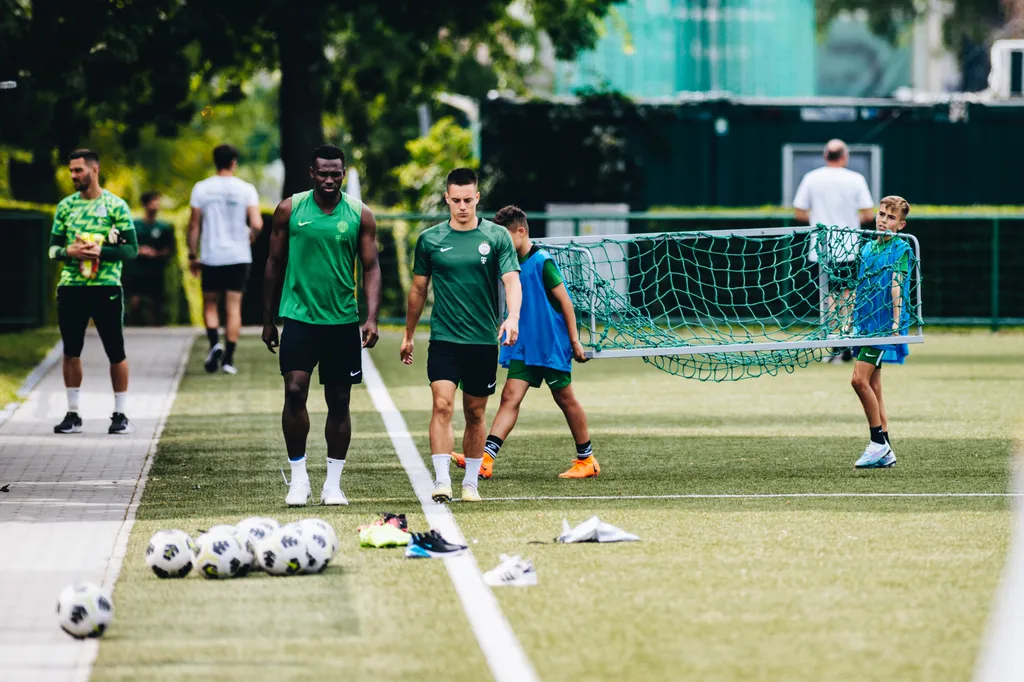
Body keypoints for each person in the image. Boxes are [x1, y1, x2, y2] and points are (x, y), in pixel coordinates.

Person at [262, 145, 381, 507]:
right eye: (323, 173)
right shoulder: (290, 209)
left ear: (343, 175)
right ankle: (298, 480)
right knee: (295, 392)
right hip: (299, 318)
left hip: (342, 321)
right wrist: (268, 319)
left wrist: (371, 316)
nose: (329, 179)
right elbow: (273, 263)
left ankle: (333, 483)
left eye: (336, 174)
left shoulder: (360, 214)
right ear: (311, 173)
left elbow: (372, 267)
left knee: (339, 400)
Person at [400, 168, 522, 504]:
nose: (463, 206)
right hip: (444, 339)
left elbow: (512, 281)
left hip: (483, 341)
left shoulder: (496, 237)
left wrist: (512, 317)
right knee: (442, 405)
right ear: (447, 199)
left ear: (477, 198)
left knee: (475, 413)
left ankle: (470, 484)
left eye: (468, 200)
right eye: (456, 200)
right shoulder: (430, 240)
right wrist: (409, 334)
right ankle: (441, 482)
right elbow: (418, 290)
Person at [452, 205, 598, 480]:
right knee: (510, 397)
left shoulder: (543, 261)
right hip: (523, 345)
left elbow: (566, 302)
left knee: (565, 399)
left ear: (521, 232)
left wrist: (575, 341)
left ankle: (587, 459)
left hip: (549, 343)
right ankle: (485, 459)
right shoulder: (510, 264)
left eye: (505, 237)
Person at [48, 149, 138, 435]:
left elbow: (131, 249)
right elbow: (52, 249)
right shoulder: (65, 207)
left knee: (115, 350)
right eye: (71, 171)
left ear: (94, 170)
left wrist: (101, 251)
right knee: (71, 350)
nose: (74, 176)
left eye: (78, 170)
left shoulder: (115, 206)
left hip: (106, 287)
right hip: (72, 287)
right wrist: (69, 251)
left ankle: (120, 413)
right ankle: (73, 414)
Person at [793, 139, 875, 362]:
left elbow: (799, 212)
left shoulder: (812, 178)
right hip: (848, 245)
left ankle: (834, 342)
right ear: (844, 156)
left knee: (826, 295)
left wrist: (820, 217)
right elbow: (868, 214)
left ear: (825, 156)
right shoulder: (855, 179)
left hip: (820, 247)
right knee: (847, 294)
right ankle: (845, 338)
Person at [188, 144, 263, 375]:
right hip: (238, 255)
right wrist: (250, 237)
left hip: (212, 255)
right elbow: (257, 224)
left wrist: (192, 254)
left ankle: (214, 344)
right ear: (234, 163)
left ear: (215, 162)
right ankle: (229, 360)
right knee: (233, 307)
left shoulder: (202, 189)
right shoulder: (246, 189)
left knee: (210, 304)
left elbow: (194, 225)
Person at [850, 196, 914, 469]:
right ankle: (885, 448)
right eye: (881, 214)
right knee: (874, 386)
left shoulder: (900, 248)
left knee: (857, 380)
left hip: (883, 326)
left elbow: (897, 284)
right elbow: (861, 286)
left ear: (900, 225)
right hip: (865, 323)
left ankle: (877, 443)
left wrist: (896, 323)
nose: (883, 221)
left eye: (890, 217)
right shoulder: (867, 249)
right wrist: (850, 318)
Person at [124, 191, 175, 326]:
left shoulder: (164, 227)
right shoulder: (134, 226)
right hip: (137, 269)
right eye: (153, 201)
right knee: (135, 299)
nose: (156, 205)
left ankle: (155, 326)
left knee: (156, 299)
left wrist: (156, 254)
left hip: (156, 269)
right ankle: (134, 325)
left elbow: (170, 249)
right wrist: (140, 251)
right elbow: (126, 245)